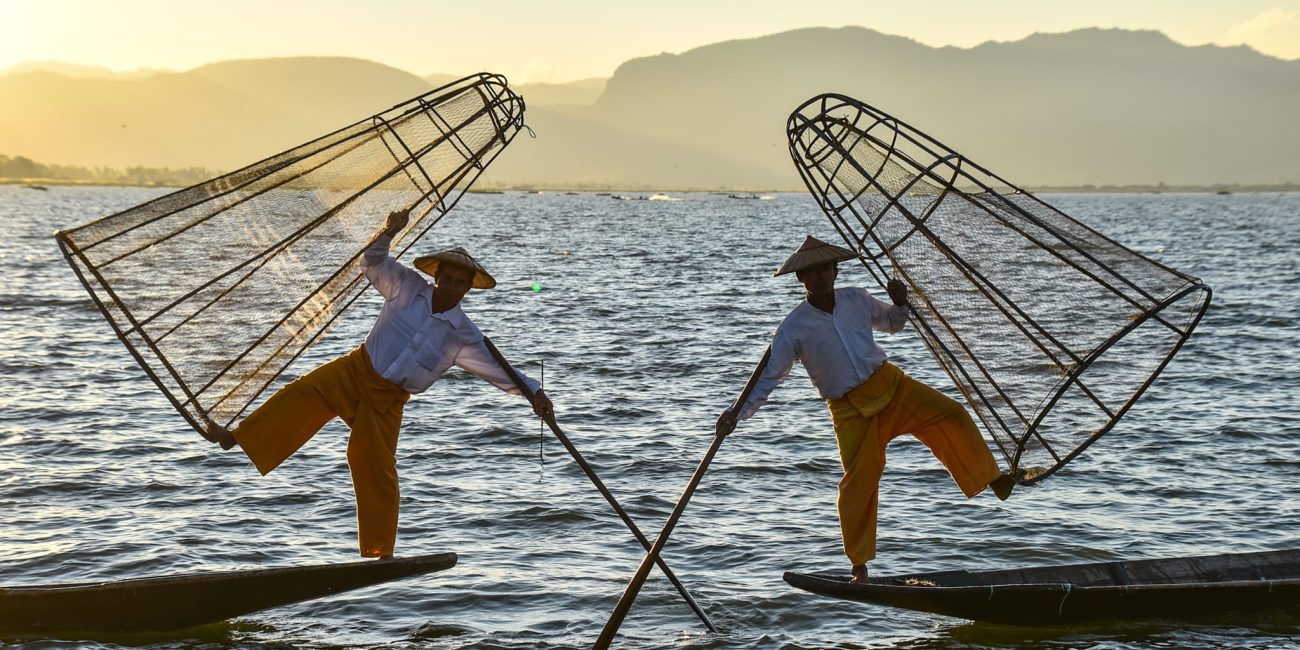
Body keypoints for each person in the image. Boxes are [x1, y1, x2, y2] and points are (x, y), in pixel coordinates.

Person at [204, 207, 553, 558]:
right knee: (300, 395)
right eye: (448, 279)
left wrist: (534, 394)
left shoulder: (462, 334)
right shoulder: (406, 286)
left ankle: (378, 552)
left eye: (460, 283)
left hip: (388, 400)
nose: (452, 287)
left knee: (372, 463)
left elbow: (499, 371)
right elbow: (371, 261)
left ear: (467, 289)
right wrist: (389, 231)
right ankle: (236, 438)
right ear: (438, 277)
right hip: (356, 370)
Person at [715, 235, 1013, 584]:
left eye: (824, 269)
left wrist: (900, 303)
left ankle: (990, 477)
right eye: (811, 272)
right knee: (857, 486)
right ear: (801, 280)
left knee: (953, 414)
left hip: (891, 386)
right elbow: (770, 378)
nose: (819, 277)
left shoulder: (856, 298)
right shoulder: (792, 328)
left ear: (835, 271)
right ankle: (859, 566)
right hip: (849, 410)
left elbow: (892, 322)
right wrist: (736, 414)